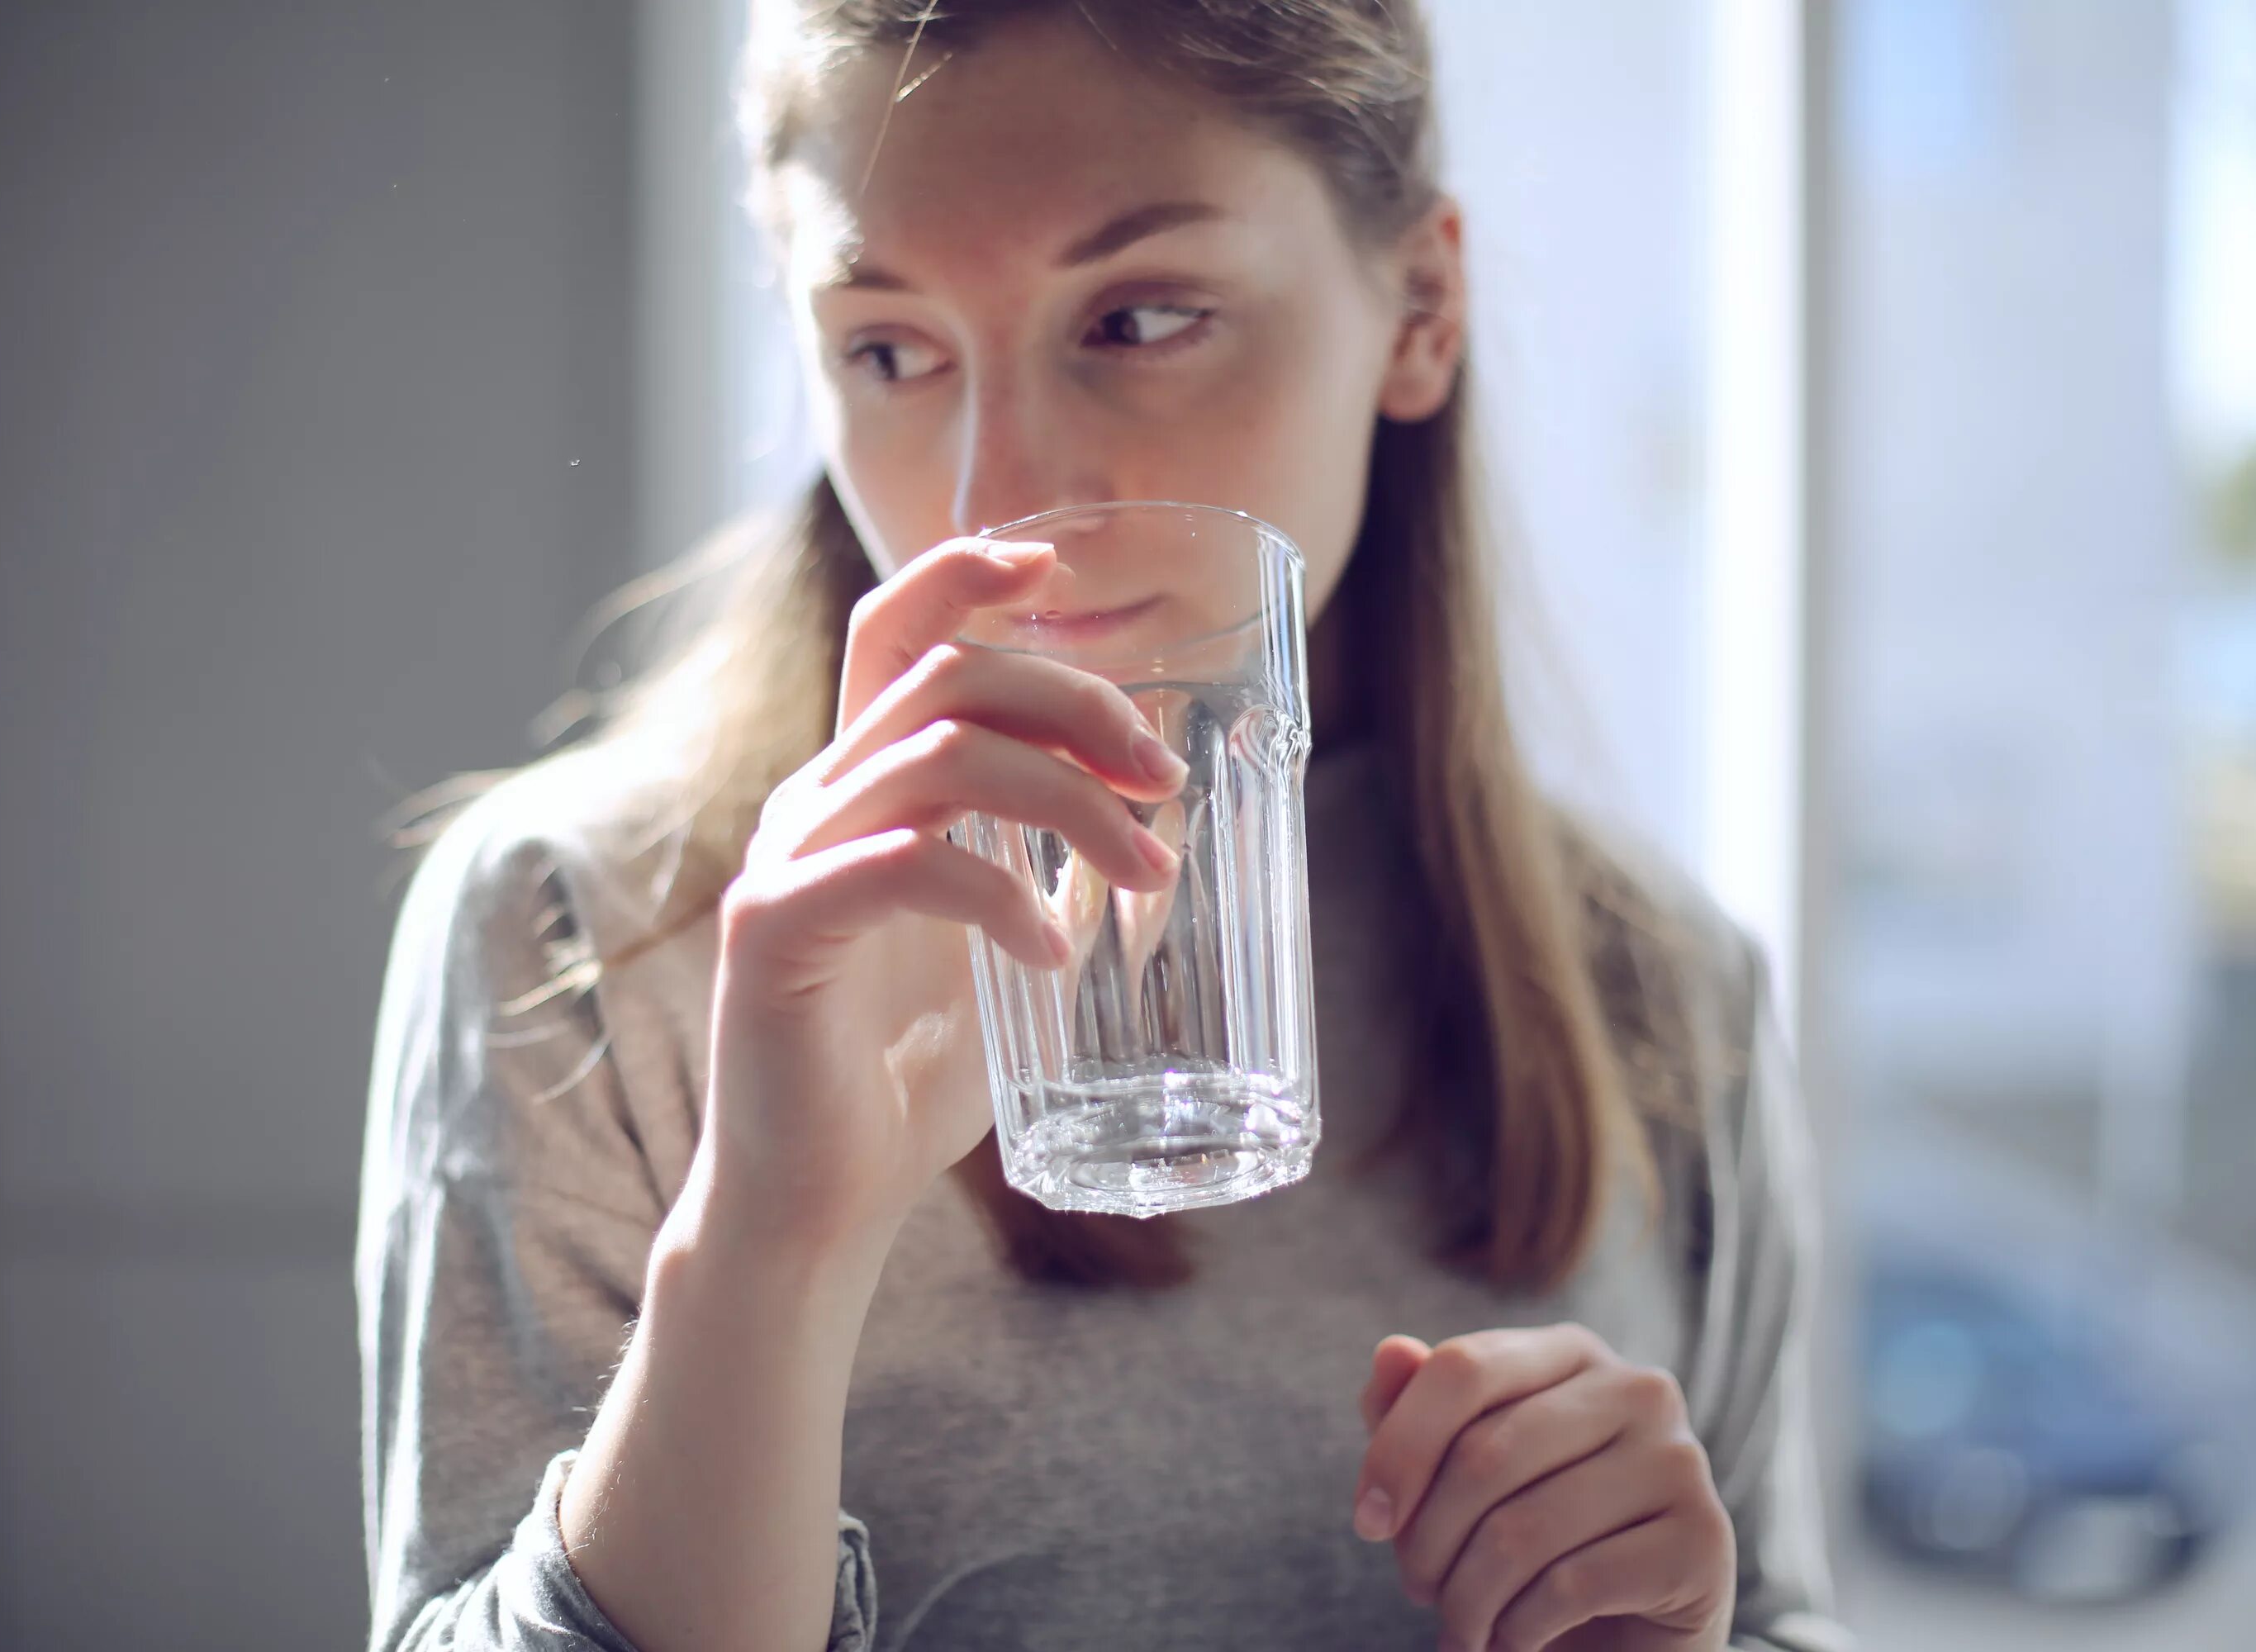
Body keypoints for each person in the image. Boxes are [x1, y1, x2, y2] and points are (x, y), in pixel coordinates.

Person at [356, 2, 1851, 1650]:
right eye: (890, 350)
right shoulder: (585, 931)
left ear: (1420, 306)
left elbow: (1782, 1613)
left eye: (1138, 317)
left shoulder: (1656, 985)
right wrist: (773, 1239)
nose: (1004, 493)